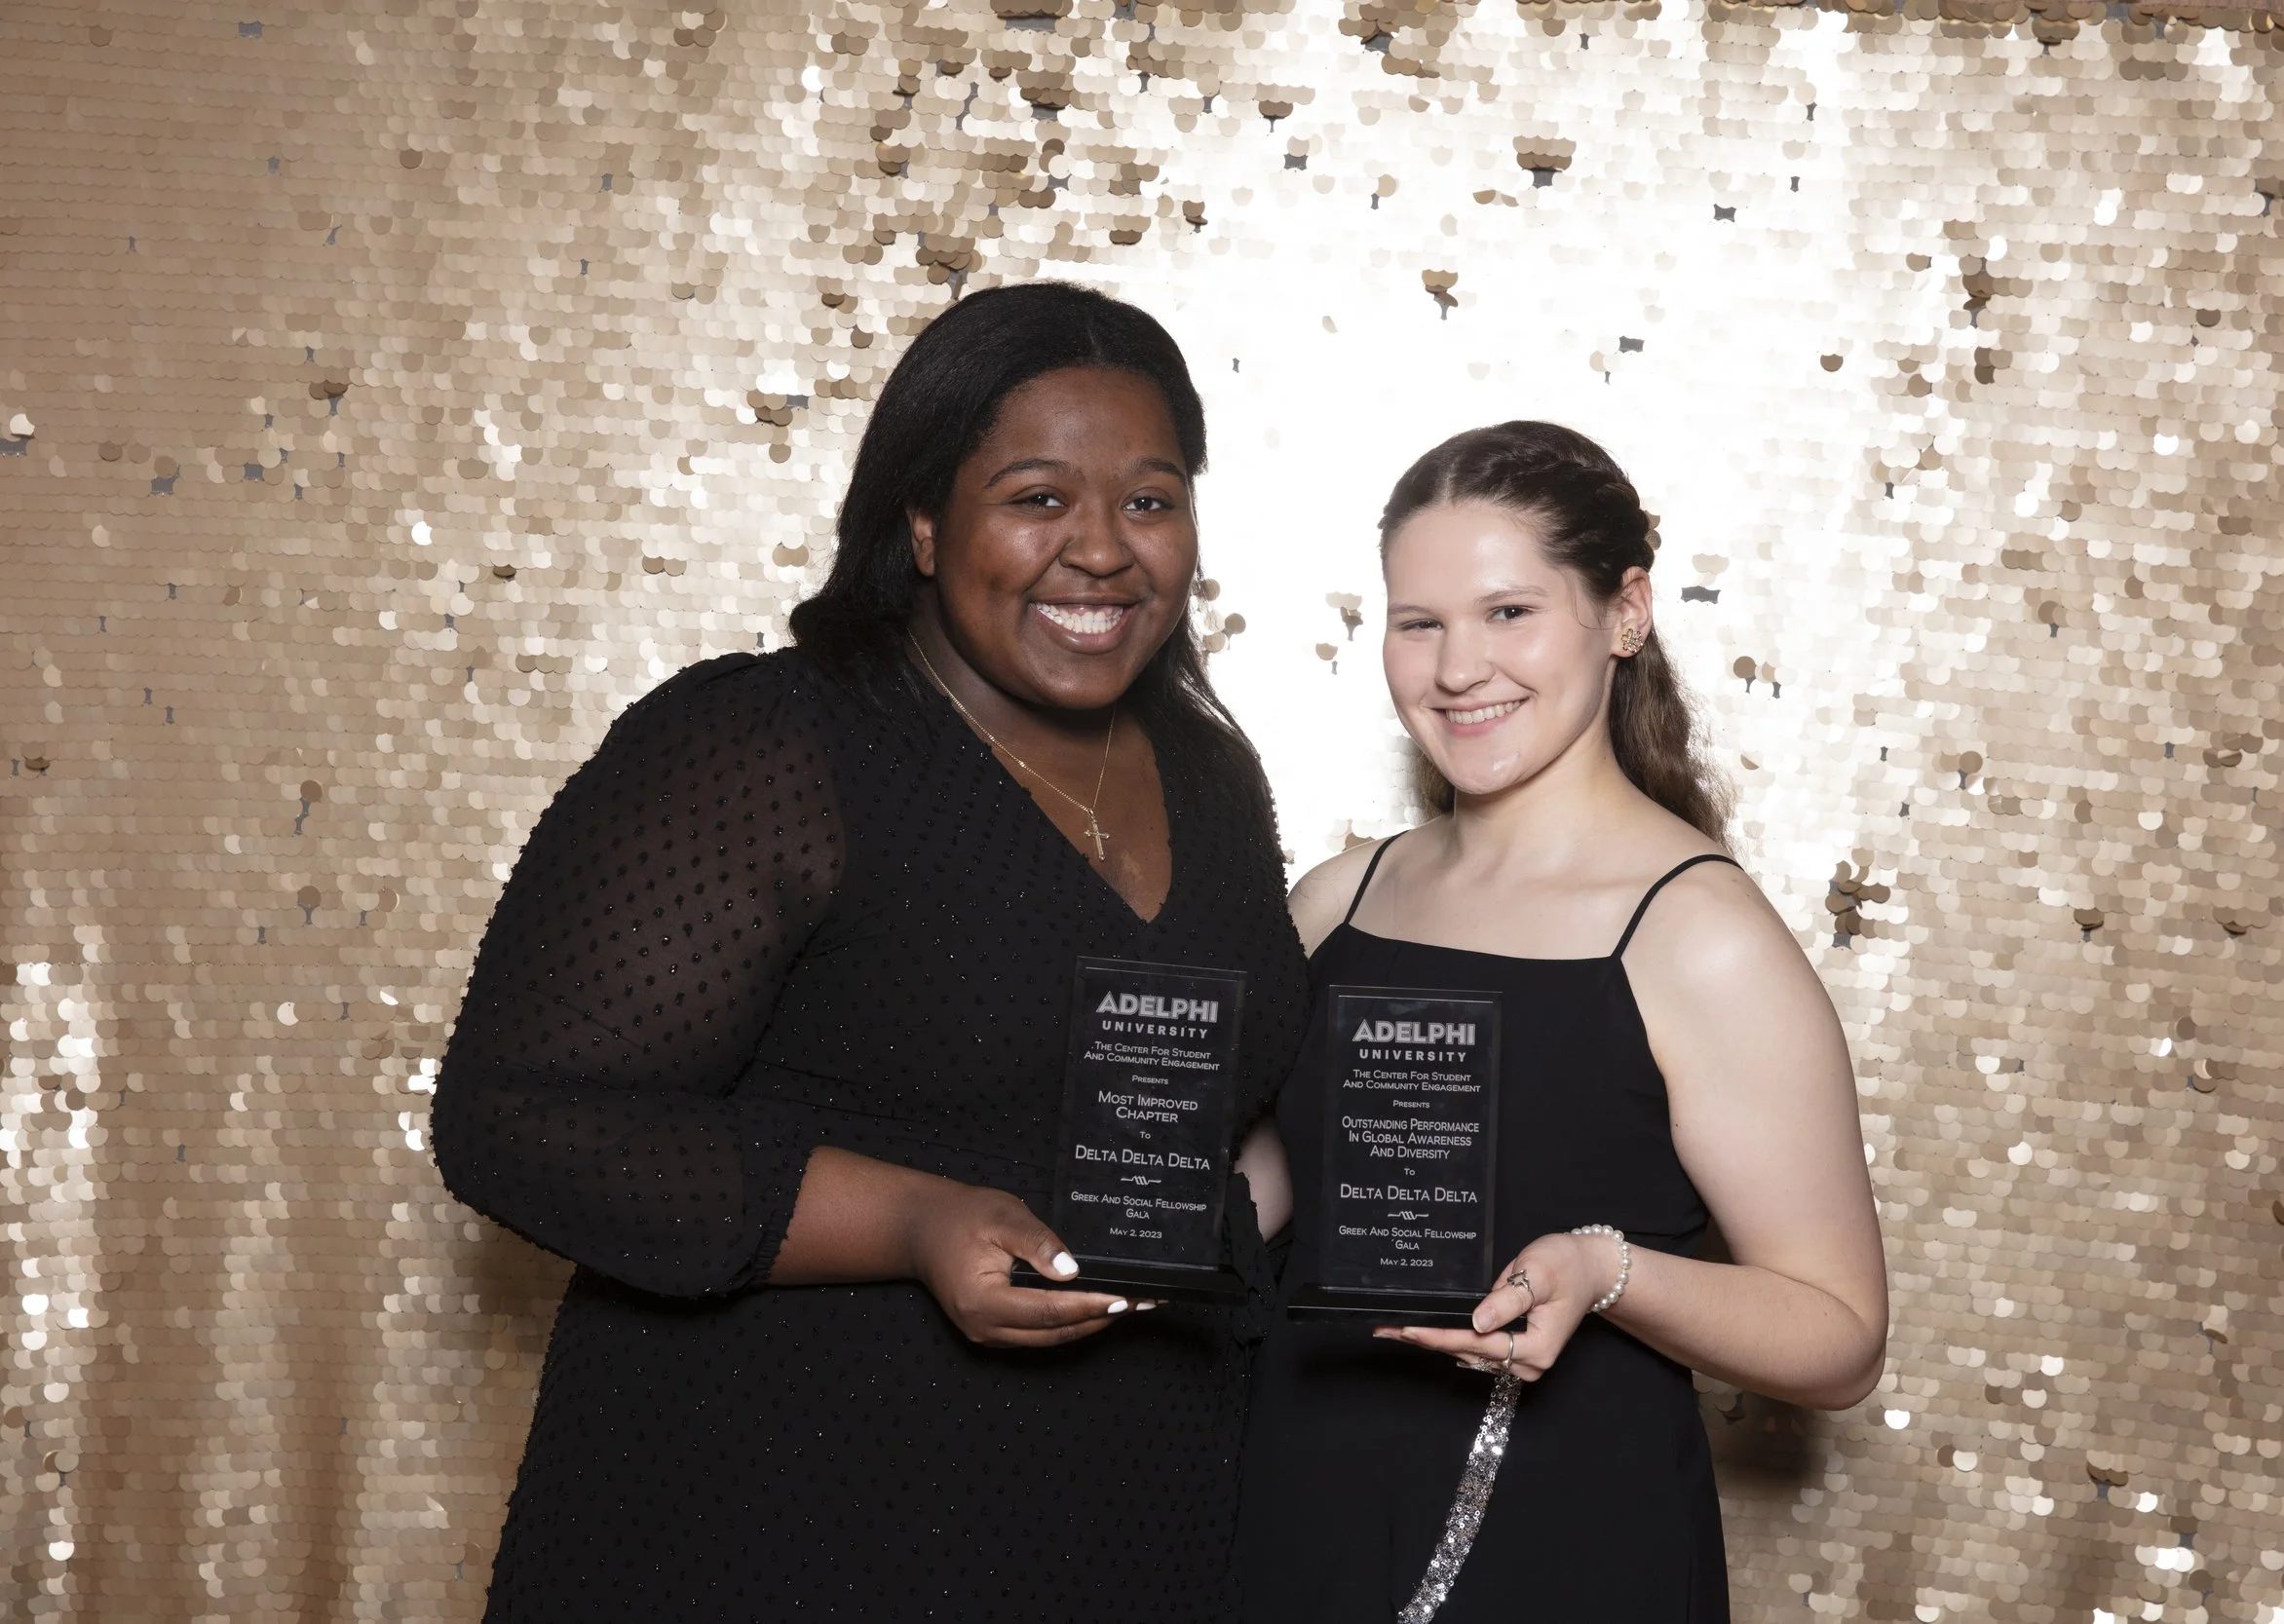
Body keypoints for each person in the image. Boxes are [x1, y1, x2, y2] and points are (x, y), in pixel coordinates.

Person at [434, 283, 1308, 1621]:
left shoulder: (1209, 774)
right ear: (919, 522)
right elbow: (518, 1119)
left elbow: (1209, 1115)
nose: (1101, 551)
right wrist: (913, 1218)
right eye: (1035, 498)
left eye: (1148, 499)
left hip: (1117, 1510)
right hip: (775, 1510)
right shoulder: (771, 745)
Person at [1236, 422, 1888, 1622]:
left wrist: (1607, 1269)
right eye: (1417, 622)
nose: (1455, 667)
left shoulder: (1699, 935)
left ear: (1624, 612)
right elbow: (1268, 1195)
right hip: (1293, 1516)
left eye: (1507, 613)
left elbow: (1839, 1336)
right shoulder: (1340, 897)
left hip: (1565, 1547)